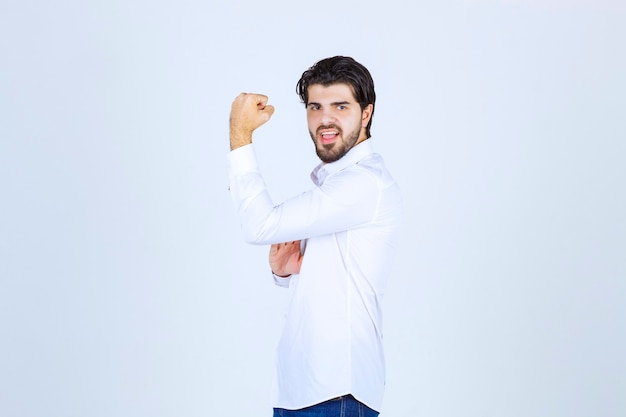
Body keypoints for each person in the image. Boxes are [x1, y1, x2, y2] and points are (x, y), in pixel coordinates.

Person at [227, 56, 402, 416]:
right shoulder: (336, 182)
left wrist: (240, 135)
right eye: (315, 106)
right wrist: (285, 273)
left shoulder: (364, 182)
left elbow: (258, 225)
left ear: (365, 114)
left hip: (335, 393)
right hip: (304, 391)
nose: (326, 119)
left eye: (341, 106)